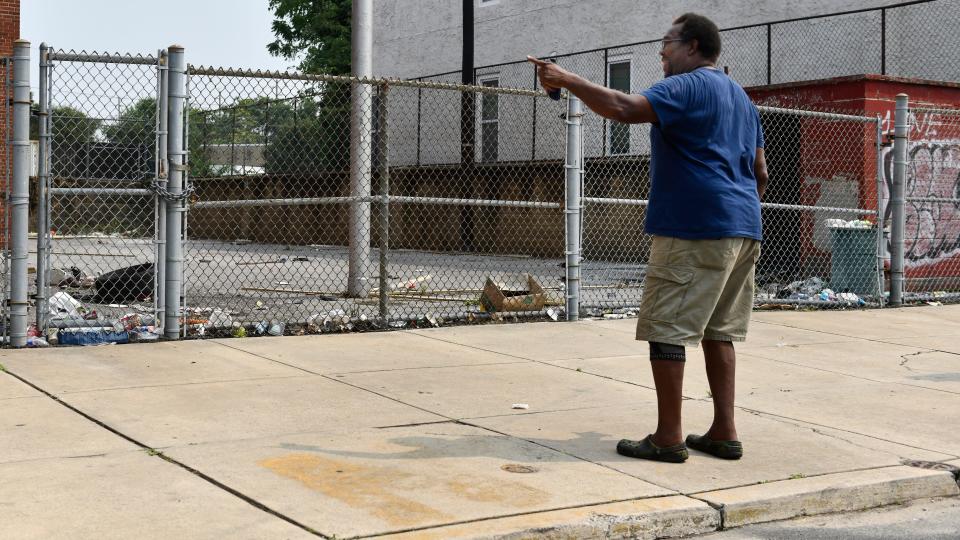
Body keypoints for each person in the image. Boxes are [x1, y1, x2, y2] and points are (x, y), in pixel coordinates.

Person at [528, 13, 768, 463]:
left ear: (694, 47)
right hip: (744, 228)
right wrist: (735, 209)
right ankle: (723, 430)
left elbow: (624, 109)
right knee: (720, 333)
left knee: (666, 329)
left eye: (667, 46)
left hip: (693, 228)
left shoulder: (688, 85)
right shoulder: (742, 98)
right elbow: (761, 173)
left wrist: (567, 79)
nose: (662, 55)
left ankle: (668, 437)